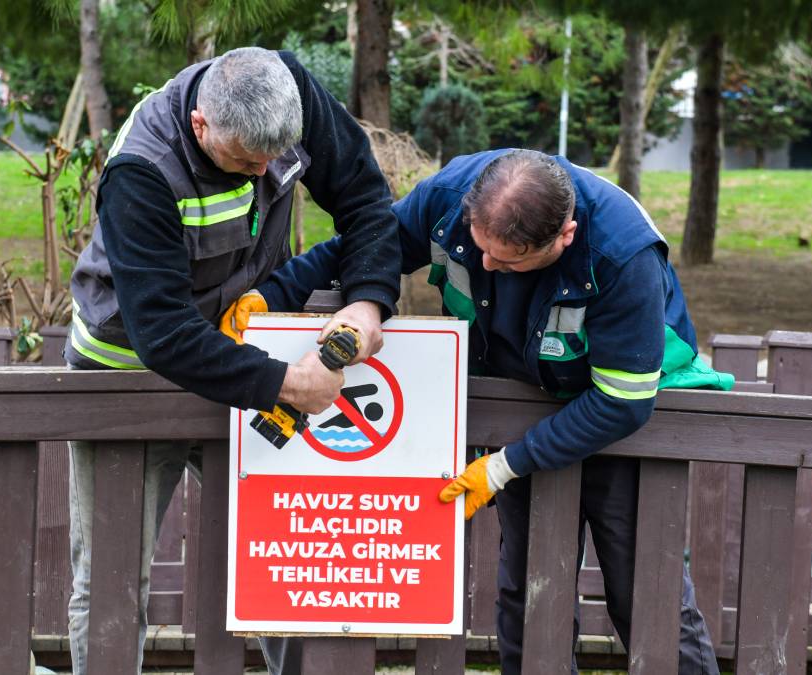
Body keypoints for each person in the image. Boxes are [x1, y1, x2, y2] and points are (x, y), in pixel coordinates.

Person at [249, 149, 733, 674]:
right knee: (528, 590)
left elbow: (621, 402)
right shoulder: (446, 200)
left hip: (619, 415)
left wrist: (504, 465)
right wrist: (270, 295)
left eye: (508, 261)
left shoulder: (622, 254)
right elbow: (365, 248)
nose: (486, 266)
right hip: (520, 402)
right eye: (479, 248)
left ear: (564, 236)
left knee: (642, 592)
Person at [64, 47, 401, 675]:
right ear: (201, 126)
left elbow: (362, 195)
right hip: (130, 373)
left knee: (290, 552)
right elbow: (162, 332)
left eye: (275, 158)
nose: (263, 172)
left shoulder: (284, 92)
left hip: (247, 359)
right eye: (247, 160)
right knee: (113, 575)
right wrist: (286, 382)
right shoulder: (143, 170)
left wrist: (369, 302)